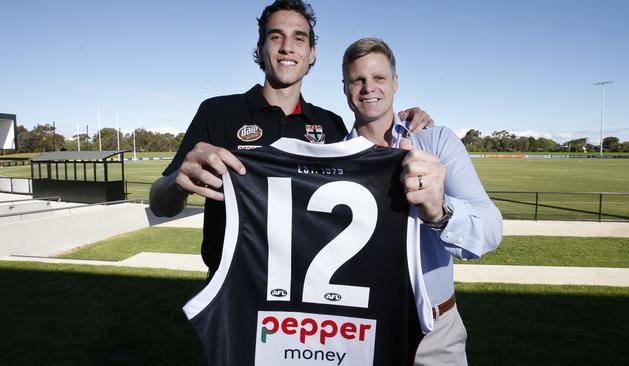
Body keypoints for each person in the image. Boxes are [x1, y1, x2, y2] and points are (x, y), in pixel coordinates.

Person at [149, 0, 431, 275]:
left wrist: (405, 118)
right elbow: (161, 206)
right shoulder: (218, 112)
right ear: (260, 49)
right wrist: (178, 181)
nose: (287, 47)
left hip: (303, 296)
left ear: (312, 53)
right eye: (276, 37)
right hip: (233, 291)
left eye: (299, 38)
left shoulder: (330, 125)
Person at [341, 37, 503, 365]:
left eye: (379, 78)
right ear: (345, 87)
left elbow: (490, 231)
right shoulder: (334, 156)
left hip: (436, 332)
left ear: (396, 83)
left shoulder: (435, 140)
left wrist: (438, 210)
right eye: (357, 79)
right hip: (359, 328)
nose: (368, 87)